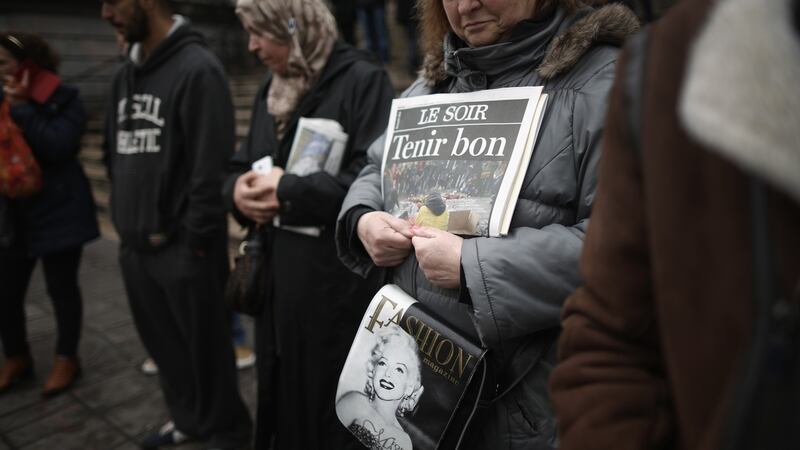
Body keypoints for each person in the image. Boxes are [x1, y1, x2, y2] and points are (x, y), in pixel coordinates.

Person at [336, 0, 639, 447]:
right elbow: (374, 169)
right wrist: (363, 220)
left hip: (529, 406)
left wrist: (472, 266)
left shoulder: (605, 85)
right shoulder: (432, 83)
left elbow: (629, 250)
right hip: (426, 404)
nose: (465, 5)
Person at [549, 0, 800, 449]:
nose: (466, 5)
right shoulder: (665, 64)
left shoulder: (613, 76)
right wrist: (374, 214)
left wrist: (476, 263)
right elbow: (612, 332)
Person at [223, 0, 394, 448]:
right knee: (278, 394)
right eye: (248, 32)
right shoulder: (271, 87)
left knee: (325, 404)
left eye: (262, 31)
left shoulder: (363, 79)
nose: (253, 45)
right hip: (276, 287)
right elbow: (240, 164)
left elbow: (374, 180)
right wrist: (237, 193)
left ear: (295, 26)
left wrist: (291, 189)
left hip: (332, 290)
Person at [99, 0, 252, 448]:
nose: (106, 14)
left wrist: (193, 244)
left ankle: (226, 432)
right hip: (135, 246)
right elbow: (113, 152)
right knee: (166, 351)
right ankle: (188, 421)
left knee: (207, 356)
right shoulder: (125, 72)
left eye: (113, 2)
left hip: (185, 250)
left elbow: (210, 169)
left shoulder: (198, 68)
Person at [0, 32, 99, 397]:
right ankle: (15, 355)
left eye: (4, 64)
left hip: (58, 210)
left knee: (62, 289)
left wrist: (24, 108)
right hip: (13, 214)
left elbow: (59, 145)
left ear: (27, 63)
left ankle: (66, 357)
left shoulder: (62, 97)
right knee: (7, 292)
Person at [337, 325, 424, 450]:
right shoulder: (355, 402)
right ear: (374, 369)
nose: (388, 373)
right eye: (383, 363)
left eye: (399, 369)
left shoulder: (405, 443)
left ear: (409, 387)